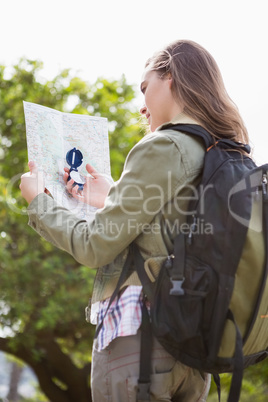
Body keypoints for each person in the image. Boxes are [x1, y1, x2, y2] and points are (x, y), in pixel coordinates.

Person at [20, 39, 249, 401]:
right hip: (194, 348)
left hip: (140, 340)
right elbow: (174, 230)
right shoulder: (221, 151)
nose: (142, 107)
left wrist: (39, 204)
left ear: (171, 76)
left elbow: (94, 246)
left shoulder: (163, 145)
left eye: (146, 88)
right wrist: (112, 193)